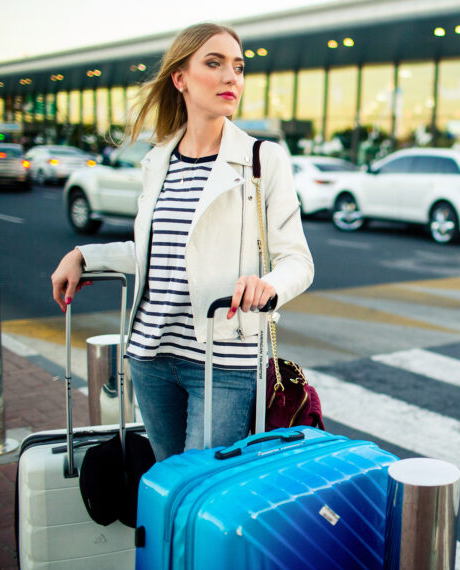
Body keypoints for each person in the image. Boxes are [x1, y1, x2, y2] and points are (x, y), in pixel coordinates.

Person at [50, 23, 314, 461]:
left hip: (225, 359)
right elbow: (160, 253)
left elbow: (298, 261)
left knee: (196, 490)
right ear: (181, 78)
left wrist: (269, 286)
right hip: (150, 354)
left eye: (239, 67)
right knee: (166, 488)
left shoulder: (262, 159)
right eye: (214, 63)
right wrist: (84, 255)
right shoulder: (158, 161)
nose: (232, 77)